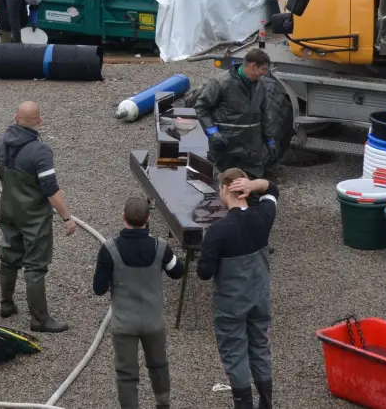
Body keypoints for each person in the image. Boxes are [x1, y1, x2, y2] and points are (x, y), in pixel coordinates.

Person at [92, 196, 185, 409]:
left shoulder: (109, 249)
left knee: (126, 374)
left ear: (123, 217)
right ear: (148, 218)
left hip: (124, 323)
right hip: (153, 322)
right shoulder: (161, 247)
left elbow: (99, 289)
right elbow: (178, 272)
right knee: (159, 364)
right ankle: (162, 404)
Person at [198, 169, 279, 409]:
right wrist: (255, 185)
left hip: (231, 305)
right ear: (243, 188)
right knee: (260, 348)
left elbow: (204, 273)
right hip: (260, 298)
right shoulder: (264, 217)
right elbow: (272, 189)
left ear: (224, 189)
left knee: (235, 354)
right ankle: (266, 403)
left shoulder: (217, 231)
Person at [0, 101, 77, 334]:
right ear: (39, 121)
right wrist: (67, 217)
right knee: (35, 266)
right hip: (33, 217)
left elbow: (0, 173)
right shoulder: (40, 151)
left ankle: (6, 304)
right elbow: (51, 190)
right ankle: (39, 319)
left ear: (15, 117)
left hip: (9, 209)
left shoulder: (1, 142)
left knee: (9, 255)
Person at [194, 49, 287, 180]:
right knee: (225, 187)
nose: (265, 74)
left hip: (251, 150)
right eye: (263, 69)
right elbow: (201, 107)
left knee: (251, 187)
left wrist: (270, 140)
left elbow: (264, 114)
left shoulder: (261, 86)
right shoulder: (221, 82)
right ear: (253, 66)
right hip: (226, 147)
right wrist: (213, 133)